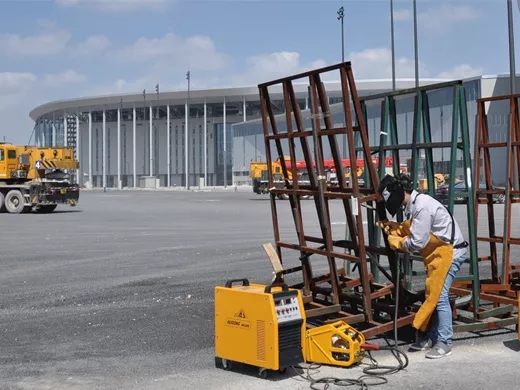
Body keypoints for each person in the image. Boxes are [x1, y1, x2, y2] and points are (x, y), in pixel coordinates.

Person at [376, 172, 468, 359]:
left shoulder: (422, 207)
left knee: (439, 296)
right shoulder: (416, 205)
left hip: (451, 253)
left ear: (400, 193)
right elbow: (414, 228)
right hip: (438, 254)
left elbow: (417, 241)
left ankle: (445, 342)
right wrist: (397, 229)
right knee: (431, 295)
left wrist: (398, 243)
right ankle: (431, 337)